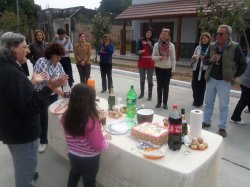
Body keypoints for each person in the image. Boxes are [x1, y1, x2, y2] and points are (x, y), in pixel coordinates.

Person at [0, 32, 68, 187]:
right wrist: (50, 86)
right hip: (22, 132)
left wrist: (30, 81)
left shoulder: (6, 67)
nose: (28, 51)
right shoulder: (12, 73)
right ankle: (27, 176)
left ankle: (29, 172)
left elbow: (17, 96)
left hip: (12, 129)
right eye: (24, 47)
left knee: (22, 163)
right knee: (24, 173)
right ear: (12, 48)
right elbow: (31, 106)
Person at [61, 84, 110, 187]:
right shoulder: (91, 122)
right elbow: (98, 146)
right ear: (90, 102)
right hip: (90, 159)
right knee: (89, 180)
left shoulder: (66, 115)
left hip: (73, 154)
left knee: (74, 174)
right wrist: (106, 141)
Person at [202, 25, 247, 137]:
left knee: (223, 105)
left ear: (228, 35)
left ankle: (222, 127)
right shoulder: (212, 46)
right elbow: (205, 61)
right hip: (211, 78)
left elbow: (243, 64)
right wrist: (210, 60)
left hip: (224, 80)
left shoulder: (235, 47)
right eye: (217, 33)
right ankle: (206, 121)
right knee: (208, 103)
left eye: (221, 34)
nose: (218, 35)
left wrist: (234, 75)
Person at [33, 43, 68, 153]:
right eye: (57, 57)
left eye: (60, 57)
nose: (59, 59)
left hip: (53, 94)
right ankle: (42, 140)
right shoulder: (42, 62)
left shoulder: (58, 65)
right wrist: (62, 93)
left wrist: (67, 88)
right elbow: (49, 83)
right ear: (51, 54)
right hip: (42, 93)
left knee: (51, 115)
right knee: (43, 117)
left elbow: (63, 79)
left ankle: (48, 135)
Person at [152, 28, 176, 109]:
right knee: (159, 86)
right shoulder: (156, 45)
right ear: (160, 35)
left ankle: (165, 103)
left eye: (166, 34)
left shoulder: (171, 46)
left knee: (166, 86)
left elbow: (173, 58)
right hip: (158, 68)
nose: (164, 36)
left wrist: (173, 69)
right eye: (163, 34)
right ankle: (159, 102)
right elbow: (152, 57)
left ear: (168, 36)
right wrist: (159, 57)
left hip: (167, 69)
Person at [191, 32, 212, 107]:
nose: (204, 40)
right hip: (196, 68)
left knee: (202, 86)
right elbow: (193, 56)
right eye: (202, 38)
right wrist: (194, 57)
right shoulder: (198, 47)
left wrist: (205, 59)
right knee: (194, 85)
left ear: (208, 39)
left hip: (204, 69)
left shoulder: (210, 48)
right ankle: (195, 99)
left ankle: (199, 102)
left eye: (205, 38)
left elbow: (211, 59)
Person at [136, 27, 156, 101]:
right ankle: (142, 93)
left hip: (150, 61)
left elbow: (155, 51)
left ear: (152, 34)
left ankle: (150, 95)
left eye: (150, 33)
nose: (149, 34)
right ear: (145, 33)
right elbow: (136, 50)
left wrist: (150, 45)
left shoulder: (154, 41)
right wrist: (139, 51)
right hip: (142, 61)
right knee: (142, 78)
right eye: (147, 32)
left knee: (150, 79)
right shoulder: (140, 40)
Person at [230, 60, 250, 125]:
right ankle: (235, 118)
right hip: (248, 83)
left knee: (246, 98)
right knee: (243, 101)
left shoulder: (248, 58)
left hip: (243, 81)